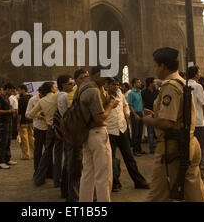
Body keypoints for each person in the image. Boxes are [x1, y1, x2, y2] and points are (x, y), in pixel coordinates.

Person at [142, 47, 204, 202]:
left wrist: (147, 120)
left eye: (156, 66)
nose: (155, 69)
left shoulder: (169, 87)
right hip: (189, 142)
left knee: (158, 194)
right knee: (193, 190)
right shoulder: (182, 83)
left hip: (172, 147)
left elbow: (167, 122)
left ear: (163, 66)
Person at [77, 66, 118, 202]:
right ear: (98, 74)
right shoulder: (93, 91)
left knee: (88, 173)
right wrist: (111, 105)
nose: (106, 82)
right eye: (105, 78)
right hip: (97, 133)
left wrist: (106, 102)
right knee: (104, 175)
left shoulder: (82, 88)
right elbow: (99, 118)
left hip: (85, 134)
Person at [105, 77, 149, 192]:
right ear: (107, 85)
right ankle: (115, 183)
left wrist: (127, 114)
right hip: (110, 130)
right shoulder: (104, 96)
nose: (116, 87)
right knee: (111, 159)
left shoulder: (120, 95)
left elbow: (125, 105)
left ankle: (139, 181)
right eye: (114, 84)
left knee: (129, 157)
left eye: (118, 85)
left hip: (122, 129)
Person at [61, 69, 88, 202]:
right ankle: (72, 197)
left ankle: (67, 192)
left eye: (87, 77)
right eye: (82, 78)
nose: (85, 80)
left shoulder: (81, 92)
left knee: (71, 164)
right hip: (75, 134)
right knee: (74, 166)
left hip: (75, 134)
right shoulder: (72, 95)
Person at [28, 81, 59, 186]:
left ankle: (39, 177)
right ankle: (57, 179)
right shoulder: (57, 97)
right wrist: (41, 116)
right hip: (58, 128)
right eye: (54, 86)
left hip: (49, 128)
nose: (55, 88)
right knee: (58, 154)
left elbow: (30, 114)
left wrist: (41, 115)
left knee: (46, 153)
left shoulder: (42, 101)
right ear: (51, 88)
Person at [188, 66, 204, 169]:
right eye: (199, 72)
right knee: (200, 144)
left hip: (188, 121)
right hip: (198, 120)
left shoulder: (184, 85)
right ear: (196, 74)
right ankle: (200, 164)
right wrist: (203, 117)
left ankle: (193, 163)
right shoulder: (198, 86)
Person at [26, 87, 51, 175]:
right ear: (40, 92)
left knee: (49, 151)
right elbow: (28, 114)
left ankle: (49, 171)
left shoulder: (49, 99)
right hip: (39, 127)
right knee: (38, 151)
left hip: (49, 127)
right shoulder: (32, 100)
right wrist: (39, 115)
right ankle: (37, 171)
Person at [55, 75, 74, 191]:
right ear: (63, 85)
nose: (73, 85)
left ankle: (64, 187)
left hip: (66, 129)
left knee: (67, 158)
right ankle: (66, 188)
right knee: (69, 159)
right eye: (70, 83)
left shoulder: (61, 95)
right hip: (69, 129)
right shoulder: (65, 96)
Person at [0, 83, 18, 169]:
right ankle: (1, 162)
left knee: (8, 141)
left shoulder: (7, 98)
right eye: (11, 90)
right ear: (7, 89)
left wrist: (11, 110)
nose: (12, 92)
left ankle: (7, 158)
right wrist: (9, 111)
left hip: (8, 121)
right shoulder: (0, 97)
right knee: (3, 142)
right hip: (3, 122)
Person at [141, 77, 159, 154]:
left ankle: (158, 148)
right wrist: (147, 111)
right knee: (150, 132)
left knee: (157, 132)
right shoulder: (143, 92)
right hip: (148, 114)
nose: (155, 83)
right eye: (154, 82)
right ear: (150, 83)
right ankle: (152, 148)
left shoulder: (157, 92)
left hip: (157, 113)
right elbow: (142, 104)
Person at [128, 78, 145, 155]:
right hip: (134, 113)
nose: (140, 83)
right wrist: (135, 114)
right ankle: (135, 150)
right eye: (138, 82)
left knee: (140, 132)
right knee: (135, 132)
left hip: (141, 113)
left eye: (140, 82)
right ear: (134, 84)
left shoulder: (140, 92)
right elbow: (130, 105)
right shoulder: (131, 93)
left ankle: (139, 148)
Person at [17, 85, 35, 160]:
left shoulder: (21, 99)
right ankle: (35, 153)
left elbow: (20, 113)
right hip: (31, 120)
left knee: (24, 139)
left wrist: (18, 123)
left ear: (23, 90)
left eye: (19, 90)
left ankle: (26, 155)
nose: (19, 92)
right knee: (32, 137)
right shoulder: (32, 97)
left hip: (23, 121)